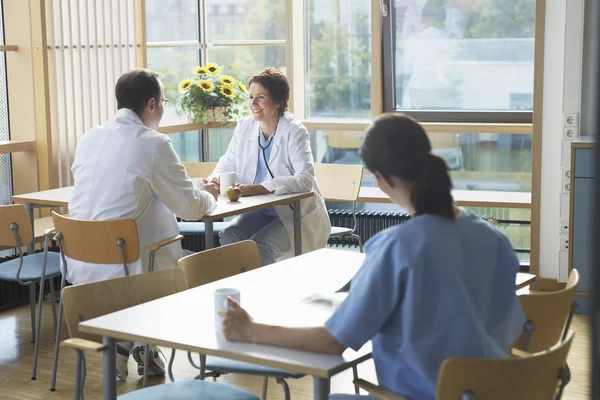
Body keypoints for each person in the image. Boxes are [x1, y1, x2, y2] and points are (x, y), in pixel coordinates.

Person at [220, 113, 526, 399]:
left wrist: (250, 329)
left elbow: (332, 342)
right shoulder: (493, 238)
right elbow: (507, 329)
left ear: (382, 180)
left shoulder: (398, 247)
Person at [67, 68, 218, 380]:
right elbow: (190, 208)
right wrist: (210, 195)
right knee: (186, 255)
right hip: (129, 271)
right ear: (151, 104)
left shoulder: (89, 138)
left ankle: (133, 343)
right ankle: (140, 340)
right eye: (163, 102)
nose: (163, 109)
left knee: (146, 217)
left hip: (81, 269)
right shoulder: (153, 144)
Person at [206, 68, 331, 265]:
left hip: (293, 213)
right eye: (251, 97)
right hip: (260, 210)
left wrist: (260, 187)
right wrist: (215, 178)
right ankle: (241, 288)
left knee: (261, 246)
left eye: (261, 97)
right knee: (230, 236)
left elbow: (305, 179)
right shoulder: (245, 126)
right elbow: (228, 162)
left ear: (279, 100)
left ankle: (266, 292)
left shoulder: (294, 130)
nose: (253, 104)